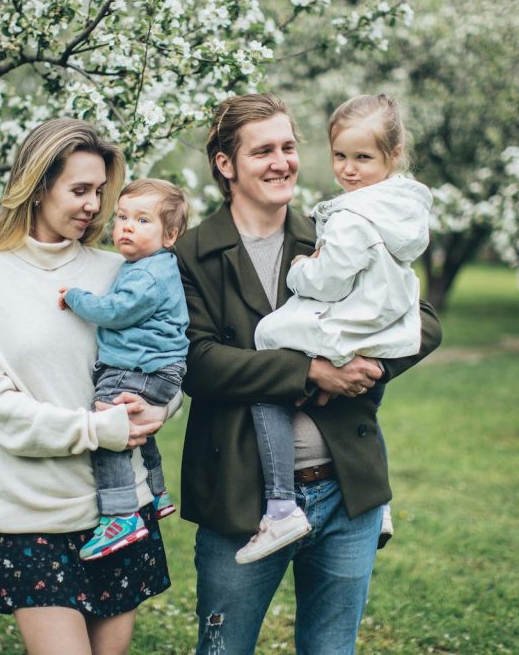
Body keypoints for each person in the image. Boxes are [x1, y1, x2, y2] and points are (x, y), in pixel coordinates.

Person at [175, 93, 442, 653]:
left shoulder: (337, 228)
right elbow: (196, 361)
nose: (282, 162)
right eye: (263, 151)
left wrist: (366, 365)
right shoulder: (194, 252)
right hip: (242, 498)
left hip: (345, 491)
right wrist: (310, 372)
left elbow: (424, 322)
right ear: (226, 164)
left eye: (289, 147)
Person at [0, 119, 176, 654]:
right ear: (37, 185)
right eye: (79, 190)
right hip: (35, 515)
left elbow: (163, 360)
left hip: (120, 510)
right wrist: (100, 430)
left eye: (100, 191)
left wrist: (161, 409)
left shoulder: (122, 271)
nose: (94, 205)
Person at [237, 93, 431, 563]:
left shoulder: (349, 215)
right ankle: (375, 495)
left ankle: (280, 505)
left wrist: (300, 270)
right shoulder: (403, 207)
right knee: (367, 398)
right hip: (385, 324)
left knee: (267, 336)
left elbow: (326, 279)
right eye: (340, 156)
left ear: (392, 156)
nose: (347, 169)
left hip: (350, 324)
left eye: (362, 158)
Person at [57, 178, 190, 561]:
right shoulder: (153, 265)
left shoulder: (147, 275)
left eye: (143, 220)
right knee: (138, 431)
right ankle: (157, 490)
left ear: (170, 235)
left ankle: (120, 515)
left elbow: (114, 312)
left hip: (138, 368)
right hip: (156, 371)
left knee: (109, 433)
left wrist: (76, 297)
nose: (127, 226)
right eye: (122, 216)